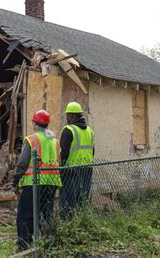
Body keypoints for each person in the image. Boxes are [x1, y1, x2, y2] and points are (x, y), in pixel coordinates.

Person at [13, 110, 61, 251]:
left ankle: (23, 245)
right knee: (46, 213)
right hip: (51, 182)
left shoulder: (31, 139)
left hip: (33, 183)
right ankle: (48, 244)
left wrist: (15, 179)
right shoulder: (54, 140)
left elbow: (22, 163)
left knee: (25, 214)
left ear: (34, 123)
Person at [59, 102, 94, 219]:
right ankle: (83, 221)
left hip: (70, 170)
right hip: (87, 169)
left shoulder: (68, 130)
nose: (67, 118)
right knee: (83, 199)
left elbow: (64, 152)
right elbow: (92, 150)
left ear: (72, 116)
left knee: (68, 201)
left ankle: (67, 223)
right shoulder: (90, 131)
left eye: (68, 115)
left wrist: (61, 168)